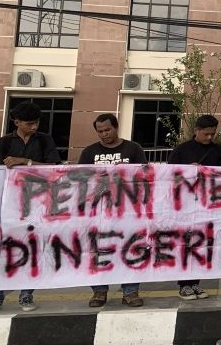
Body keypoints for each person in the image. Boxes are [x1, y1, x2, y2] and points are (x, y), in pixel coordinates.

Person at [0, 101, 60, 314]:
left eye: (36, 123)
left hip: (37, 204)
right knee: (2, 251)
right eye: (29, 123)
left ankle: (26, 295)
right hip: (7, 205)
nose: (34, 127)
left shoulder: (45, 141)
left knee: (32, 248)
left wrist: (25, 162)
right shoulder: (3, 143)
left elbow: (55, 168)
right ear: (16, 122)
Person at [79, 114, 147, 308]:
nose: (104, 134)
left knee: (130, 248)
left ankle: (130, 292)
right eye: (100, 131)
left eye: (107, 130)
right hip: (98, 211)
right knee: (98, 250)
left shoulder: (133, 149)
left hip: (128, 209)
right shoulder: (89, 152)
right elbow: (81, 177)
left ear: (116, 127)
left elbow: (144, 175)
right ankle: (99, 292)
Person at [167, 114, 221, 300]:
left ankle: (196, 283)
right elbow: (169, 175)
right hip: (185, 204)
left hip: (207, 203)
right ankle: (184, 285)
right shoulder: (181, 150)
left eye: (213, 134)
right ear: (196, 131)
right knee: (186, 243)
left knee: (203, 244)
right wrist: (187, 170)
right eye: (206, 134)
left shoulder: (217, 151)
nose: (210, 137)